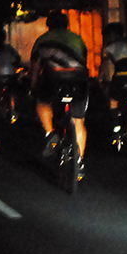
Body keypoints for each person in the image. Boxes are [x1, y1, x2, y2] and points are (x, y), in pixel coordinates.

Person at [30, 10, 89, 166]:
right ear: (66, 24)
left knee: (42, 102)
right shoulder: (77, 38)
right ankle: (79, 163)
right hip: (78, 79)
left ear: (48, 25)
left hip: (54, 78)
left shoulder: (42, 40)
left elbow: (35, 67)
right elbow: (84, 60)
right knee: (78, 122)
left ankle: (51, 134)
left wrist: (33, 86)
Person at [101, 21, 127, 109]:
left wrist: (99, 79)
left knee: (112, 93)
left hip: (122, 76)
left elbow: (104, 64)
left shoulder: (110, 47)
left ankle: (112, 112)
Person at [0, 26, 21, 122]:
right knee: (13, 91)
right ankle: (13, 111)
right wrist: (15, 65)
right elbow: (17, 58)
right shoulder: (9, 48)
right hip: (10, 75)